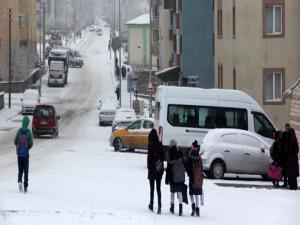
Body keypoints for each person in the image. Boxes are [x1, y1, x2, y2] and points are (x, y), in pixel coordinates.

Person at [165, 140, 185, 216]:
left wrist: (167, 179)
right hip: (180, 176)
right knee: (180, 192)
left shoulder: (169, 152)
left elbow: (168, 166)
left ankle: (172, 208)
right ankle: (180, 210)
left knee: (172, 192)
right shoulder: (179, 151)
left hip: (172, 175)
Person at [14, 116, 33, 193]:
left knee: (20, 169)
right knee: (26, 170)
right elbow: (31, 143)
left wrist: (18, 146)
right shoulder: (28, 132)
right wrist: (27, 147)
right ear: (28, 123)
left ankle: (19, 181)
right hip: (25, 154)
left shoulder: (19, 131)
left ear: (22, 122)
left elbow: (15, 141)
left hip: (19, 154)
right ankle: (25, 186)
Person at [147, 129, 164, 214]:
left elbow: (149, 159)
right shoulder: (160, 144)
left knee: (152, 188)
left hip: (152, 170)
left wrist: (149, 167)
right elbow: (163, 157)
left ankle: (151, 204)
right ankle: (159, 206)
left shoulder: (150, 145)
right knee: (158, 189)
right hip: (159, 169)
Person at [186, 140, 203, 216]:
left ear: (192, 146)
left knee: (191, 193)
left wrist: (190, 175)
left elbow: (188, 168)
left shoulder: (190, 156)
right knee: (197, 194)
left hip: (192, 177)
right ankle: (198, 209)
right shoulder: (199, 157)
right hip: (198, 178)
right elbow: (201, 168)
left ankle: (193, 208)